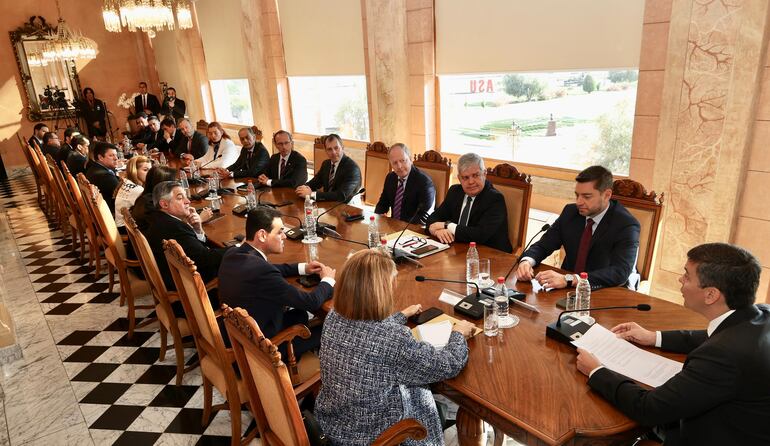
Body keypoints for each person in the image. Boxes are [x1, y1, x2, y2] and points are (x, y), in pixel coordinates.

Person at [576, 243, 770, 445]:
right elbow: (713, 336)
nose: (680, 279)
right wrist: (654, 337)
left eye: (687, 276)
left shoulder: (723, 355)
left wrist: (596, 371)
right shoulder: (760, 315)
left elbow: (649, 409)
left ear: (711, 294)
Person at [315, 249, 475, 445]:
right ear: (381, 291)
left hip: (337, 423)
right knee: (421, 389)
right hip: (376, 436)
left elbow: (366, 332)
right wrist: (459, 333)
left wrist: (400, 316)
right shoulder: (392, 339)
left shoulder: (334, 316)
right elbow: (445, 365)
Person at [218, 207, 335, 358]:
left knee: (299, 315)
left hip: (237, 335)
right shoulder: (263, 272)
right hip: (261, 352)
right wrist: (327, 280)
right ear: (262, 235)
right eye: (279, 232)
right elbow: (311, 302)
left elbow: (271, 268)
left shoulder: (233, 253)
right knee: (330, 329)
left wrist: (304, 268)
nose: (284, 236)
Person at [515, 165, 640, 290]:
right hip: (566, 289)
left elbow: (620, 272)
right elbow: (544, 245)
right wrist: (527, 261)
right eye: (577, 195)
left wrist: (571, 279)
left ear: (607, 195)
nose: (579, 202)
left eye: (586, 196)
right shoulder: (570, 212)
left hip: (605, 291)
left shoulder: (626, 225)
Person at [426, 153, 512, 253]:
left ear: (484, 174)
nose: (471, 182)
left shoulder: (495, 199)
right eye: (465, 177)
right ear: (459, 178)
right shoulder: (454, 191)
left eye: (475, 175)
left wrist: (447, 225)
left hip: (491, 256)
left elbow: (479, 235)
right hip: (458, 251)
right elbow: (433, 219)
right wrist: (437, 231)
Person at [145, 181, 222, 292]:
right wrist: (238, 248)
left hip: (175, 277)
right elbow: (204, 258)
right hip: (191, 288)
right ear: (164, 204)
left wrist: (197, 229)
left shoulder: (159, 219)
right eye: (180, 198)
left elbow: (196, 252)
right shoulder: (174, 227)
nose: (188, 201)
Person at [374, 143, 435, 225]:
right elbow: (382, 203)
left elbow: (423, 216)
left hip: (413, 229)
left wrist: (400, 225)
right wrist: (379, 217)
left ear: (410, 159)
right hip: (393, 226)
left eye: (403, 161)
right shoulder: (390, 178)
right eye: (395, 163)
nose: (399, 166)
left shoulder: (424, 182)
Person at [296, 133, 361, 203]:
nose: (333, 152)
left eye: (336, 148)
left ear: (342, 147)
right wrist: (302, 188)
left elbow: (341, 195)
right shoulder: (326, 164)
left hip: (348, 206)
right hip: (328, 204)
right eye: (329, 149)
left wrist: (312, 194)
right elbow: (315, 182)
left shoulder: (352, 168)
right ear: (326, 151)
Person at [131, 165, 178, 232]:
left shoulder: (145, 198)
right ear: (164, 184)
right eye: (175, 182)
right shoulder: (152, 206)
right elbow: (172, 226)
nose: (177, 185)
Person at [114, 156, 151, 230]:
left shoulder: (126, 181)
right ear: (134, 171)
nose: (149, 173)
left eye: (150, 170)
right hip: (126, 228)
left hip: (121, 224)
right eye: (145, 170)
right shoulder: (138, 190)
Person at [85, 141, 120, 214]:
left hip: (99, 211)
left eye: (116, 155)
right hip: (110, 213)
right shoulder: (105, 176)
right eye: (111, 155)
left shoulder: (94, 168)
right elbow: (124, 195)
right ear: (100, 157)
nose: (116, 158)